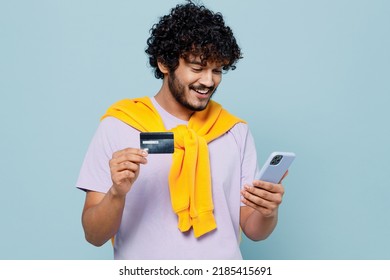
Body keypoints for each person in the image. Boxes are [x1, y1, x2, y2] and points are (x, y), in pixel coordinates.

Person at [76, 1, 286, 260]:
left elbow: (254, 230)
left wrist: (267, 211)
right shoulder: (119, 125)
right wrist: (117, 193)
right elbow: (93, 235)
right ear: (165, 63)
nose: (208, 81)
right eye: (197, 68)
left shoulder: (234, 130)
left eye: (217, 70)